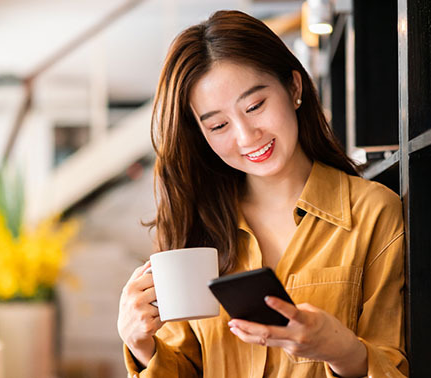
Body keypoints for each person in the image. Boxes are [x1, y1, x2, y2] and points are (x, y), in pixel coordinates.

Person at [116, 10, 407, 378]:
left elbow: (393, 366)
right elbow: (184, 366)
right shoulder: (196, 225)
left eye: (255, 106)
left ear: (295, 88)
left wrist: (340, 349)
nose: (246, 136)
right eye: (218, 124)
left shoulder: (372, 212)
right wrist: (142, 348)